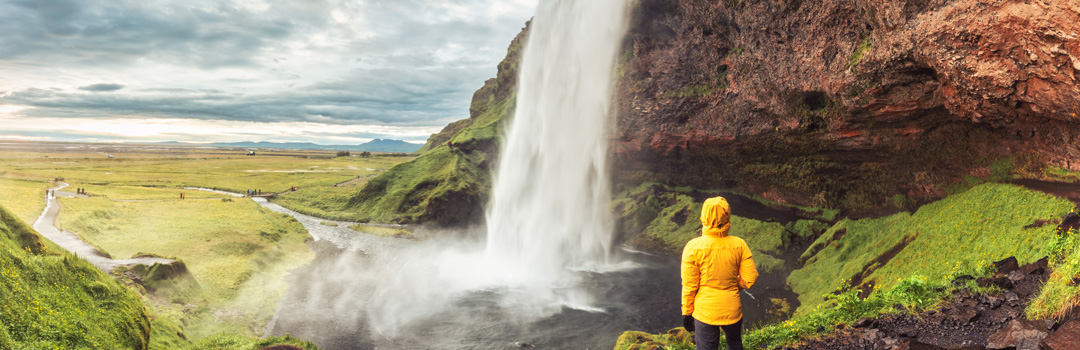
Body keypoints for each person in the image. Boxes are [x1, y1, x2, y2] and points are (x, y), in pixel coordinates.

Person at [681, 196, 758, 350]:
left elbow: (689, 285)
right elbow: (750, 279)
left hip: (705, 312)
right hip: (732, 309)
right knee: (735, 344)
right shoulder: (739, 244)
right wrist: (731, 285)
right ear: (727, 215)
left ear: (703, 216)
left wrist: (687, 313)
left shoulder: (692, 247)